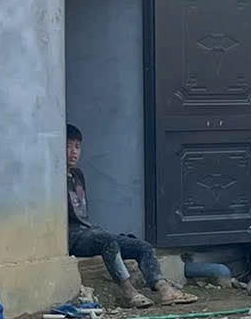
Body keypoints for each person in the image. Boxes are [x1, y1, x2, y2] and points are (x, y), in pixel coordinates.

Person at [66, 125, 195, 308]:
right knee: (108, 242)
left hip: (89, 231)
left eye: (77, 147)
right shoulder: (54, 179)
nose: (73, 152)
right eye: (68, 146)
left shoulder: (78, 175)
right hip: (72, 237)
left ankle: (164, 288)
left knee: (142, 246)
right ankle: (129, 292)